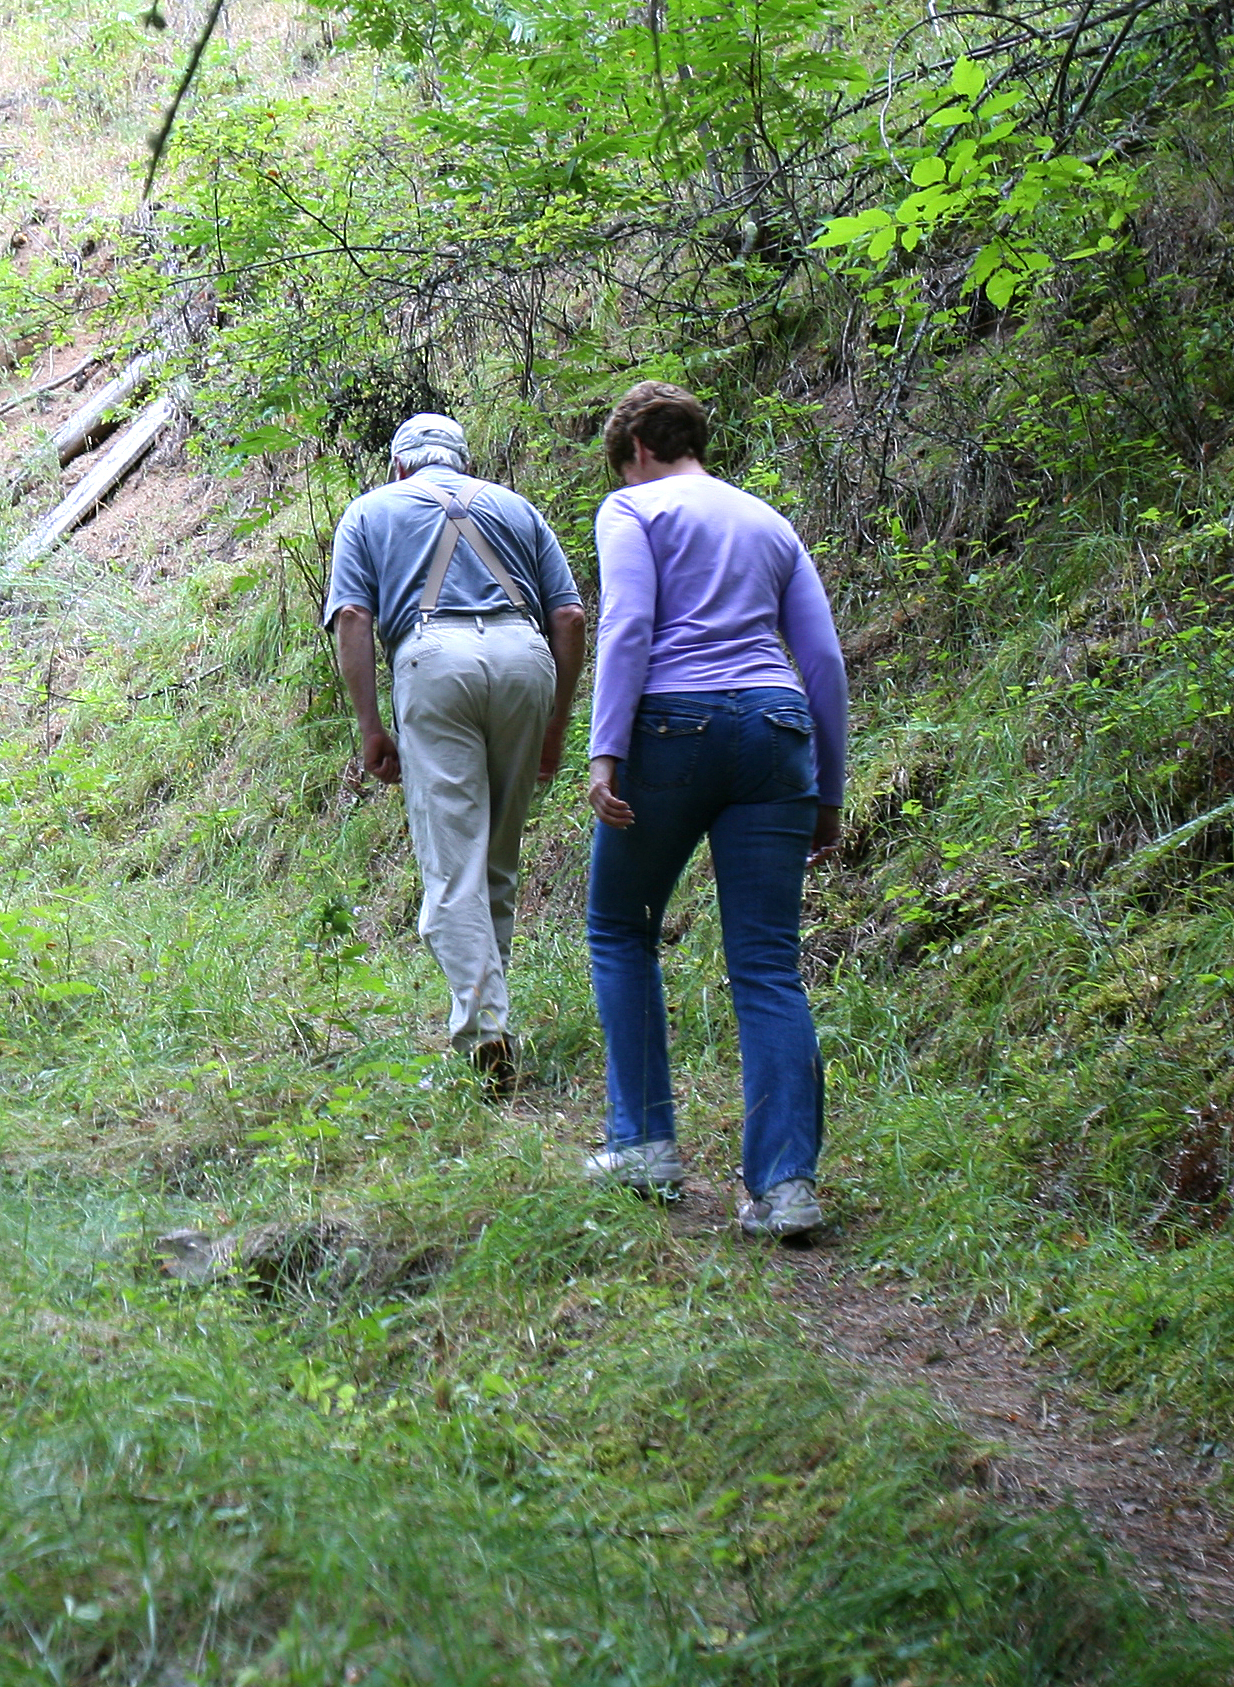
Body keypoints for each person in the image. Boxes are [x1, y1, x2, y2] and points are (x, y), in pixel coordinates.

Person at [579, 381, 847, 1240]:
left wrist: (605, 750)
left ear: (638, 451)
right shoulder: (769, 522)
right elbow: (826, 661)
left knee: (622, 926)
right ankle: (785, 1187)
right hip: (777, 731)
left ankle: (645, 1143)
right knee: (768, 964)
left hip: (673, 728)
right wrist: (830, 791)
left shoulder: (634, 509)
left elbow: (627, 625)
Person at [324, 413, 589, 1094]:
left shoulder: (369, 510)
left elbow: (354, 617)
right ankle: (488, 1018)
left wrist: (370, 724)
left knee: (451, 861)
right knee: (497, 855)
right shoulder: (516, 507)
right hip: (525, 658)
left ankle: (484, 1031)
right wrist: (557, 726)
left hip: (436, 660)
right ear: (463, 462)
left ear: (399, 467)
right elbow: (569, 617)